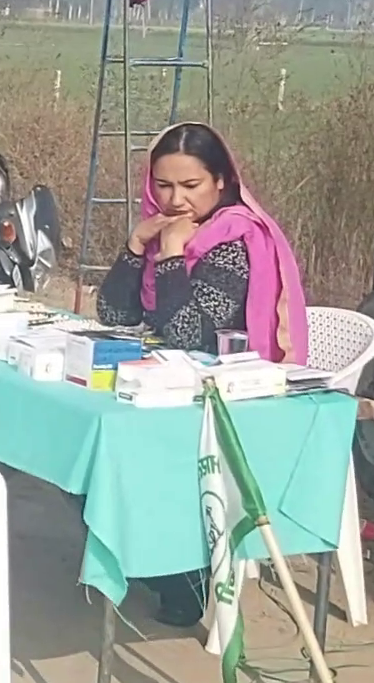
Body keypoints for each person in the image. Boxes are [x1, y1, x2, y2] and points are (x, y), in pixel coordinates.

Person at [94, 120, 309, 627]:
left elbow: (189, 332)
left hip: (230, 400)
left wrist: (170, 257)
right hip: (172, 385)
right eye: (163, 185)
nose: (175, 199)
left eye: (190, 186)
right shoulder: (166, 229)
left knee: (126, 448)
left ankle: (180, 574)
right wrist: (133, 248)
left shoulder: (234, 240)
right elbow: (115, 314)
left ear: (220, 181)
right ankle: (142, 555)